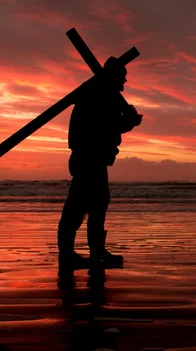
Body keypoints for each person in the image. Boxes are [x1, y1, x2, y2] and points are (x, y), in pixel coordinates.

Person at [57, 56, 142, 272]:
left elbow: (109, 125)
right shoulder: (99, 96)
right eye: (122, 79)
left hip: (93, 158)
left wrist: (127, 120)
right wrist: (130, 121)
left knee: (98, 204)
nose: (124, 83)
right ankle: (68, 255)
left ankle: (96, 251)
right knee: (78, 207)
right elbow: (109, 126)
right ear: (112, 77)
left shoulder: (98, 93)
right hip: (89, 158)